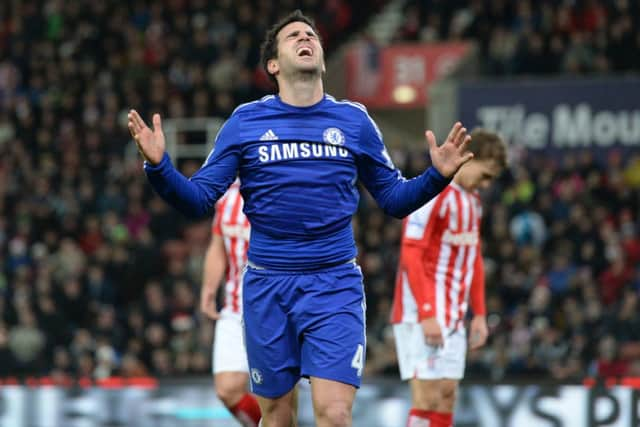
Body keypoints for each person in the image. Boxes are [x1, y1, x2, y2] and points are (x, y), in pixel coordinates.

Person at [127, 10, 473, 427]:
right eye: (293, 36)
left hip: (334, 285)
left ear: (323, 59)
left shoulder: (354, 121)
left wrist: (437, 176)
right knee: (275, 418)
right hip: (267, 287)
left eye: (311, 35)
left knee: (335, 413)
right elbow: (199, 199)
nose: (305, 38)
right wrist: (160, 168)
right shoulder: (246, 122)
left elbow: (395, 200)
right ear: (273, 65)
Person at [390, 129, 507, 427]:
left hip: (454, 313)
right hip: (421, 310)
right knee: (426, 397)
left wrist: (479, 313)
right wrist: (428, 313)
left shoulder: (473, 201)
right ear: (470, 158)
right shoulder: (432, 193)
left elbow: (473, 258)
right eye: (486, 174)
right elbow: (411, 253)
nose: (487, 183)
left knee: (446, 395)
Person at [200, 180, 261, 426]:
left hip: (275, 306)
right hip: (236, 305)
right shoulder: (225, 190)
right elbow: (218, 241)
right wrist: (209, 288)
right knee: (227, 389)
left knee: (276, 393)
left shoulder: (281, 180)